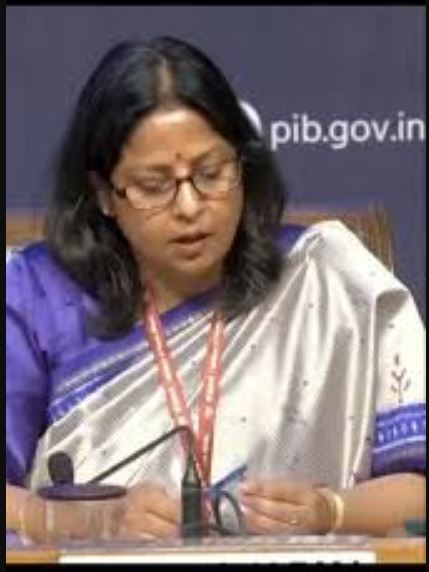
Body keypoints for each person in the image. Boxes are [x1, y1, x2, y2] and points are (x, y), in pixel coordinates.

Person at [6, 36, 425, 543]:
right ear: (104, 194)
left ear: (242, 166)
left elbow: (419, 487)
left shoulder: (327, 277)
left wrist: (330, 510)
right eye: (155, 185)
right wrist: (83, 522)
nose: (189, 207)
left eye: (210, 174)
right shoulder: (36, 296)